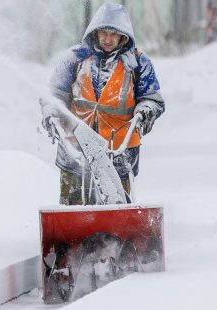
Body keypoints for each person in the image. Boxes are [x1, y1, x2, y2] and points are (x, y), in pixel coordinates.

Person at [48, 3, 165, 205]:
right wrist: (51, 113)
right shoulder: (75, 58)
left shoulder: (137, 63)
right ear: (95, 32)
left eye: (113, 34)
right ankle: (72, 234)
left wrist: (145, 111)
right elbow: (54, 94)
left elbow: (152, 99)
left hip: (119, 149)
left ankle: (116, 235)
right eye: (103, 33)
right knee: (73, 202)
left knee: (117, 202)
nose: (108, 39)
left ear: (123, 35)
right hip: (75, 146)